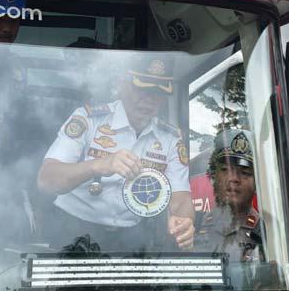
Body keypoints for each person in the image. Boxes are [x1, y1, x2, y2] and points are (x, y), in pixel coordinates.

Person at [37, 57, 194, 252]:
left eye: (158, 92)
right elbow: (46, 180)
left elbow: (180, 198)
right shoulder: (88, 119)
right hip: (71, 229)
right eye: (142, 89)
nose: (149, 99)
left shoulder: (170, 138)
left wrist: (183, 222)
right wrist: (99, 165)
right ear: (122, 85)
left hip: (130, 237)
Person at [194, 129, 263, 262]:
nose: (233, 178)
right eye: (225, 170)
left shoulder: (267, 233)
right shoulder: (195, 226)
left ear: (257, 183)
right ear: (213, 176)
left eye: (245, 172)